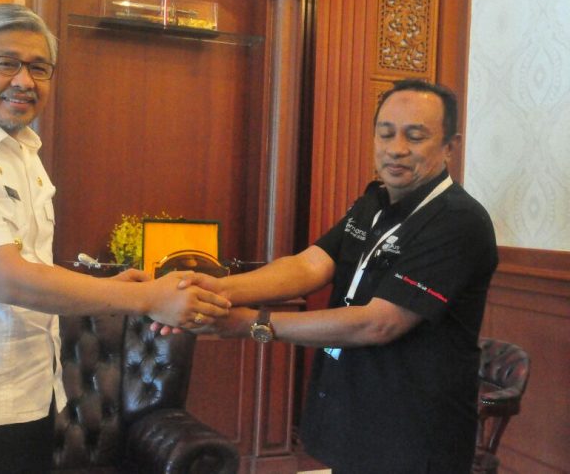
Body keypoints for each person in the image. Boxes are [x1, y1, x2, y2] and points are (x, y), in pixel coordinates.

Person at [0, 3, 230, 474]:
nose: (24, 81)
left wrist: (115, 287)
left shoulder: (24, 151)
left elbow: (30, 264)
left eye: (39, 68)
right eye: (7, 63)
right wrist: (145, 298)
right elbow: (4, 277)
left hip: (32, 390)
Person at [172, 79, 498, 473]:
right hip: (357, 413)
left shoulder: (458, 221)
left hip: (414, 432)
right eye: (386, 133)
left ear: (449, 146)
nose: (396, 148)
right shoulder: (374, 202)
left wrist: (252, 324)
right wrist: (215, 289)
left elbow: (379, 323)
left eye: (415, 136)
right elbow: (310, 265)